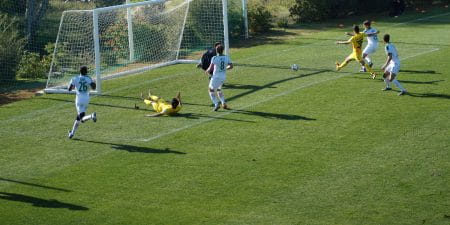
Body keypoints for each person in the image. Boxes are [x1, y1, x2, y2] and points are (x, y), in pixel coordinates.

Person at [67, 66, 97, 139]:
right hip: (86, 99)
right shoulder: (88, 78)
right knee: (79, 117)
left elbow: (69, 89)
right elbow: (94, 87)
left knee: (81, 118)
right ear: (86, 72)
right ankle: (72, 133)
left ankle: (91, 116)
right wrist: (92, 83)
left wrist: (74, 85)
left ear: (79, 71)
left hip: (79, 99)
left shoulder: (75, 78)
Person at [206, 44, 233, 111]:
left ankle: (216, 104)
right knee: (218, 90)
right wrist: (225, 68)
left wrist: (207, 71)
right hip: (223, 77)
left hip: (216, 77)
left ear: (216, 51)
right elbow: (231, 66)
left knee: (210, 90)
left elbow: (210, 68)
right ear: (223, 50)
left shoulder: (214, 58)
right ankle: (223, 103)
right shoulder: (227, 57)